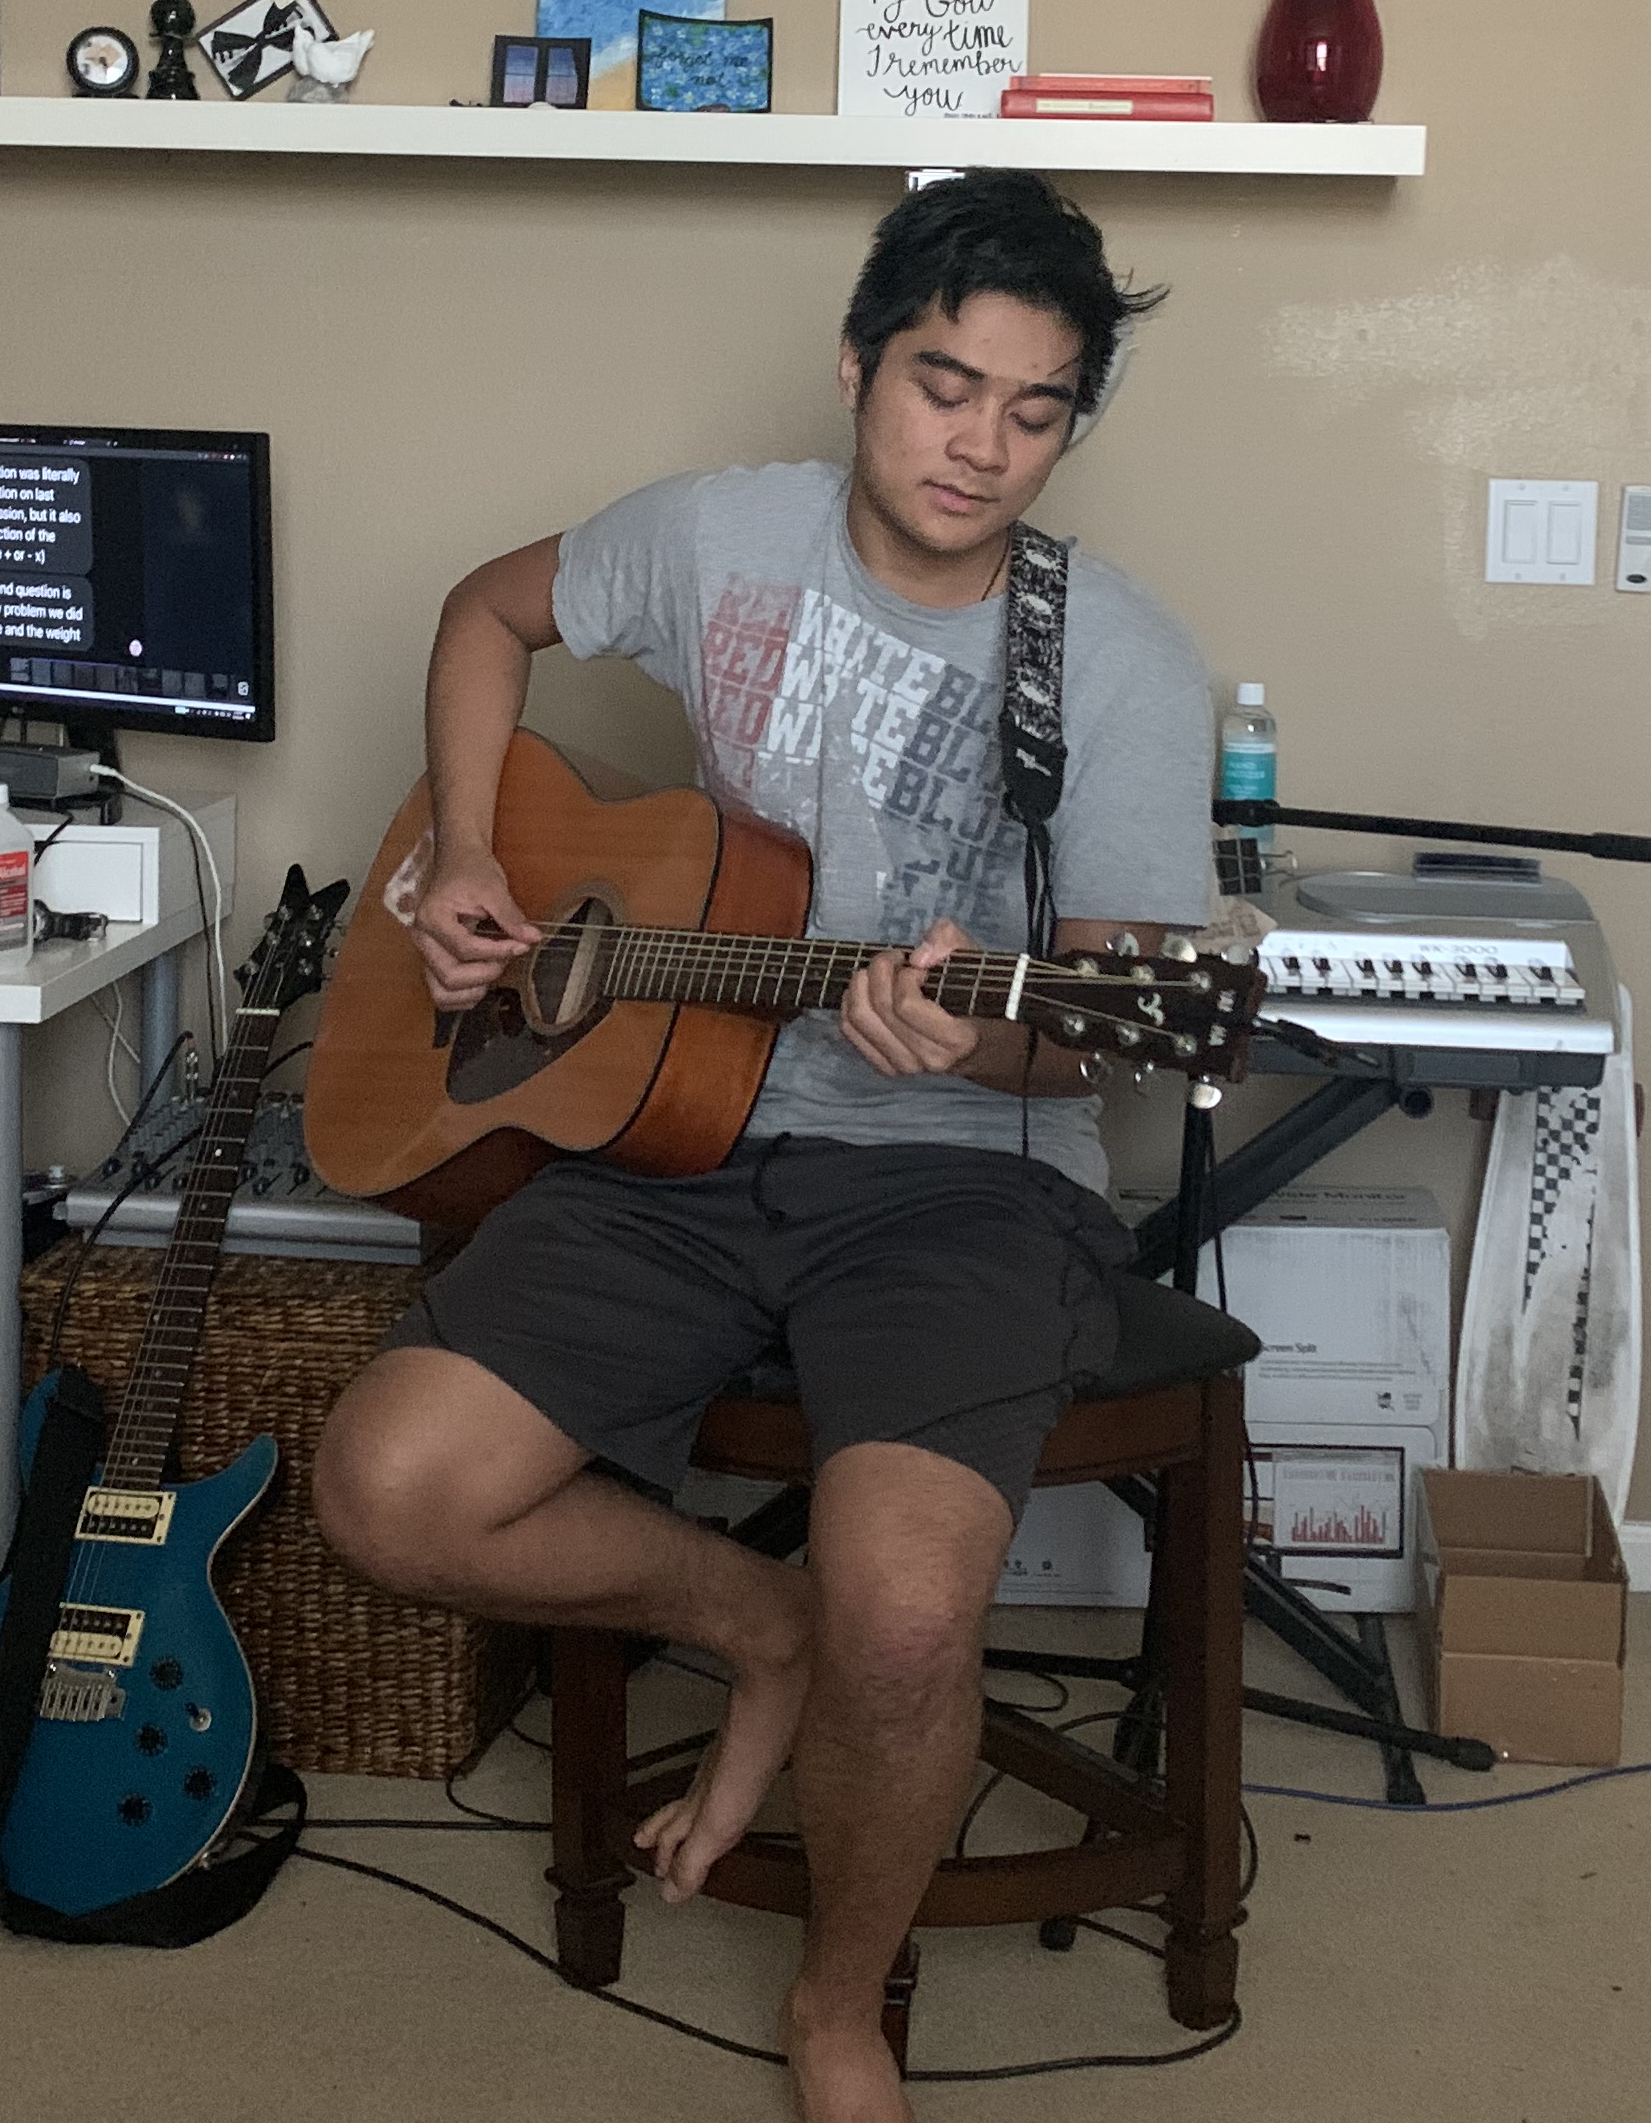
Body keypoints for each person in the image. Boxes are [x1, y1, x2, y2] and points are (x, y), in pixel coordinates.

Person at [314, 172, 1213, 2123]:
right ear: (856, 363)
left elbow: (1101, 1061)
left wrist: (971, 1048)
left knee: (912, 1615)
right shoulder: (718, 538)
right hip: (682, 1136)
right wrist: (472, 852)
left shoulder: (1121, 668)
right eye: (941, 383)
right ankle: (750, 1622)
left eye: (1033, 409)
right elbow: (487, 608)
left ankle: (835, 2000)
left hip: (966, 1185)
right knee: (388, 1489)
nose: (979, 444)